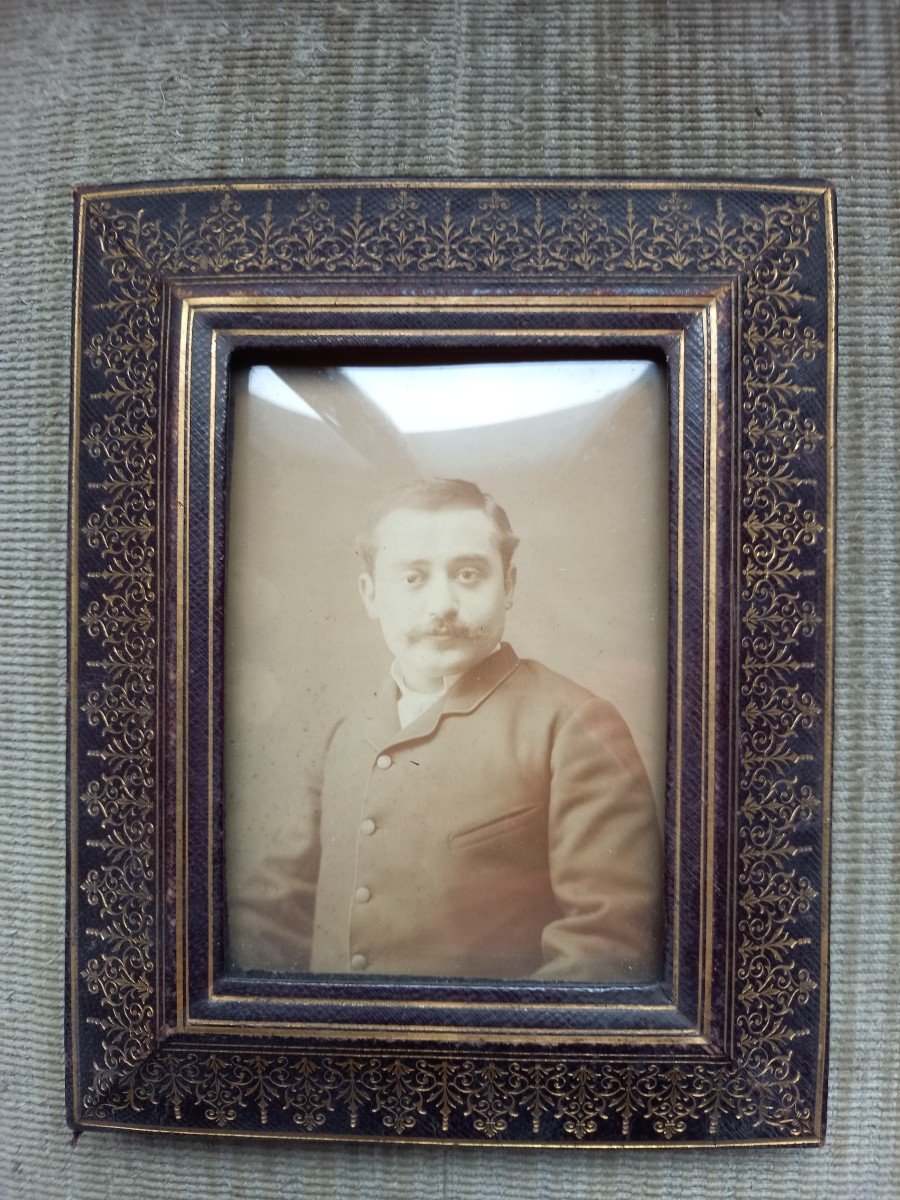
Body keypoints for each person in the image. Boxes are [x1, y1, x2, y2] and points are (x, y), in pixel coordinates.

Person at [230, 478, 663, 982]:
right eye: (413, 578)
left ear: (510, 585)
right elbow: (272, 918)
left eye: (468, 573)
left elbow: (606, 944)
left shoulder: (571, 724)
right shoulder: (345, 734)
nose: (442, 605)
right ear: (371, 595)